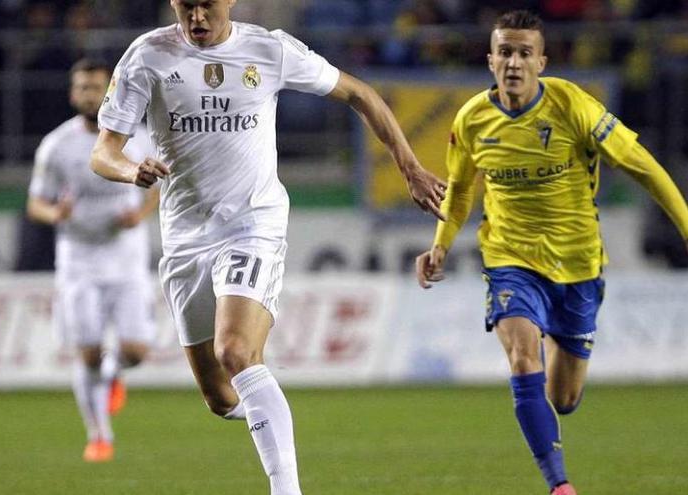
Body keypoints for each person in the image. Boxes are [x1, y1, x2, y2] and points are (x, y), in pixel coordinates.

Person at [90, 1, 446, 494]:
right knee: (219, 396)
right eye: (185, 5)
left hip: (252, 224)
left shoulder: (269, 49)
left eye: (206, 5)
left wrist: (409, 167)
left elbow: (360, 93)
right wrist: (133, 170)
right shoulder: (146, 56)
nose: (196, 16)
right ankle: (265, 406)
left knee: (235, 351)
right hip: (185, 238)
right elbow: (104, 150)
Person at [414, 10, 688, 495]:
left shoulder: (572, 106)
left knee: (563, 398)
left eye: (524, 53)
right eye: (505, 52)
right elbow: (460, 191)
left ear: (541, 61)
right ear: (490, 60)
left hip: (579, 266)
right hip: (509, 261)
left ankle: (549, 403)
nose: (514, 62)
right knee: (522, 357)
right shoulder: (472, 119)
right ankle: (559, 486)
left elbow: (643, 166)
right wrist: (439, 245)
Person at [27, 58, 159, 463]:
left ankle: (114, 372)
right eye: (81, 87)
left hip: (126, 256)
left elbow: (161, 186)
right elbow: (36, 203)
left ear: (111, 92)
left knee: (136, 350)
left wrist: (140, 214)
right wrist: (56, 215)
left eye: (95, 87)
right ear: (72, 94)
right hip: (79, 259)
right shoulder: (56, 146)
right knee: (86, 351)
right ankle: (99, 433)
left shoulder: (138, 140)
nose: (88, 94)